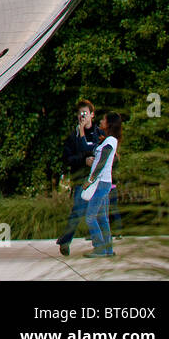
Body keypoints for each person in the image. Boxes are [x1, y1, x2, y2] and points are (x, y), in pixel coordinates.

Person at [57, 99, 100, 256]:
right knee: (78, 210)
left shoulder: (98, 134)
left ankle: (101, 244)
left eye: (85, 113)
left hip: (97, 178)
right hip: (80, 179)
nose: (83, 117)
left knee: (98, 212)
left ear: (92, 115)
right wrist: (83, 159)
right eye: (80, 114)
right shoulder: (73, 137)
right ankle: (66, 240)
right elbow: (67, 159)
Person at [82, 111, 120, 258]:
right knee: (102, 217)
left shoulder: (110, 141)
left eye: (104, 120)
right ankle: (108, 249)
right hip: (103, 182)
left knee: (90, 217)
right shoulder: (107, 140)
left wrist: (89, 180)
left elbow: (102, 163)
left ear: (109, 123)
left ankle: (99, 248)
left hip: (100, 182)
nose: (101, 122)